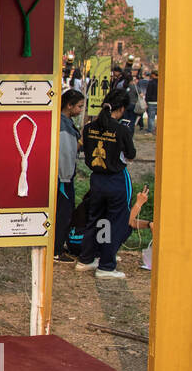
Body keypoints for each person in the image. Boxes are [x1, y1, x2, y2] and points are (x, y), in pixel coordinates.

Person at [75, 89, 137, 279]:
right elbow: (131, 154)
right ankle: (107, 266)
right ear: (122, 109)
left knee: (96, 219)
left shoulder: (90, 127)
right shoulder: (121, 130)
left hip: (97, 179)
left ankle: (86, 259)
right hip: (116, 180)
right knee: (115, 222)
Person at [54, 89, 85, 262]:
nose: (81, 110)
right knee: (63, 213)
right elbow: (65, 153)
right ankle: (56, 250)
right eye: (79, 106)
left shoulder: (64, 122)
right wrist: (65, 177)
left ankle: (57, 245)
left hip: (63, 176)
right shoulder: (64, 126)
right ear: (69, 105)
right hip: (63, 178)